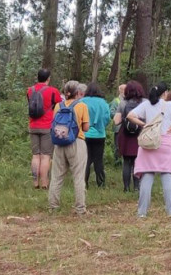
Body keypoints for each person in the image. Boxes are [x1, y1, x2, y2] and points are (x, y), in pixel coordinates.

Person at [126, 82, 171, 217]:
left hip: (149, 142)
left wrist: (144, 125)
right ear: (165, 93)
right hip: (166, 142)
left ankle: (142, 212)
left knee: (147, 176)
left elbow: (130, 116)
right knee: (167, 177)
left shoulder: (145, 105)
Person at [48, 81, 90, 215]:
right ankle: (80, 208)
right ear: (78, 92)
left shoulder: (58, 106)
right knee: (78, 176)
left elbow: (54, 124)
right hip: (77, 142)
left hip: (59, 143)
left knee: (56, 176)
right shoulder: (82, 106)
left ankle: (53, 207)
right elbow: (85, 128)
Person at [27, 69, 61, 189]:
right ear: (48, 78)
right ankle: (44, 183)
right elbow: (59, 105)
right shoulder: (53, 91)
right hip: (47, 126)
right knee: (45, 156)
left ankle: (35, 183)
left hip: (33, 125)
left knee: (35, 155)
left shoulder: (30, 90)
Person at [113, 81, 147, 193]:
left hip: (126, 136)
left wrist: (125, 119)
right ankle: (137, 187)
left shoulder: (123, 103)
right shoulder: (145, 102)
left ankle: (126, 188)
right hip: (140, 135)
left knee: (127, 162)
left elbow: (116, 121)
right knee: (138, 162)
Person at [82, 82, 111, 188]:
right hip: (99, 134)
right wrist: (102, 126)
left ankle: (84, 183)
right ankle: (101, 183)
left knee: (86, 159)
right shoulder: (103, 103)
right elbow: (107, 118)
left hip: (85, 134)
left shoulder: (82, 102)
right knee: (98, 160)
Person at [109, 84, 127, 166]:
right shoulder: (116, 101)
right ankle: (117, 163)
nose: (125, 91)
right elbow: (111, 113)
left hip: (127, 128)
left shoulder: (129, 100)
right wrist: (120, 116)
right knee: (117, 146)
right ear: (120, 90)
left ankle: (125, 162)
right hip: (118, 128)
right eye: (124, 90)